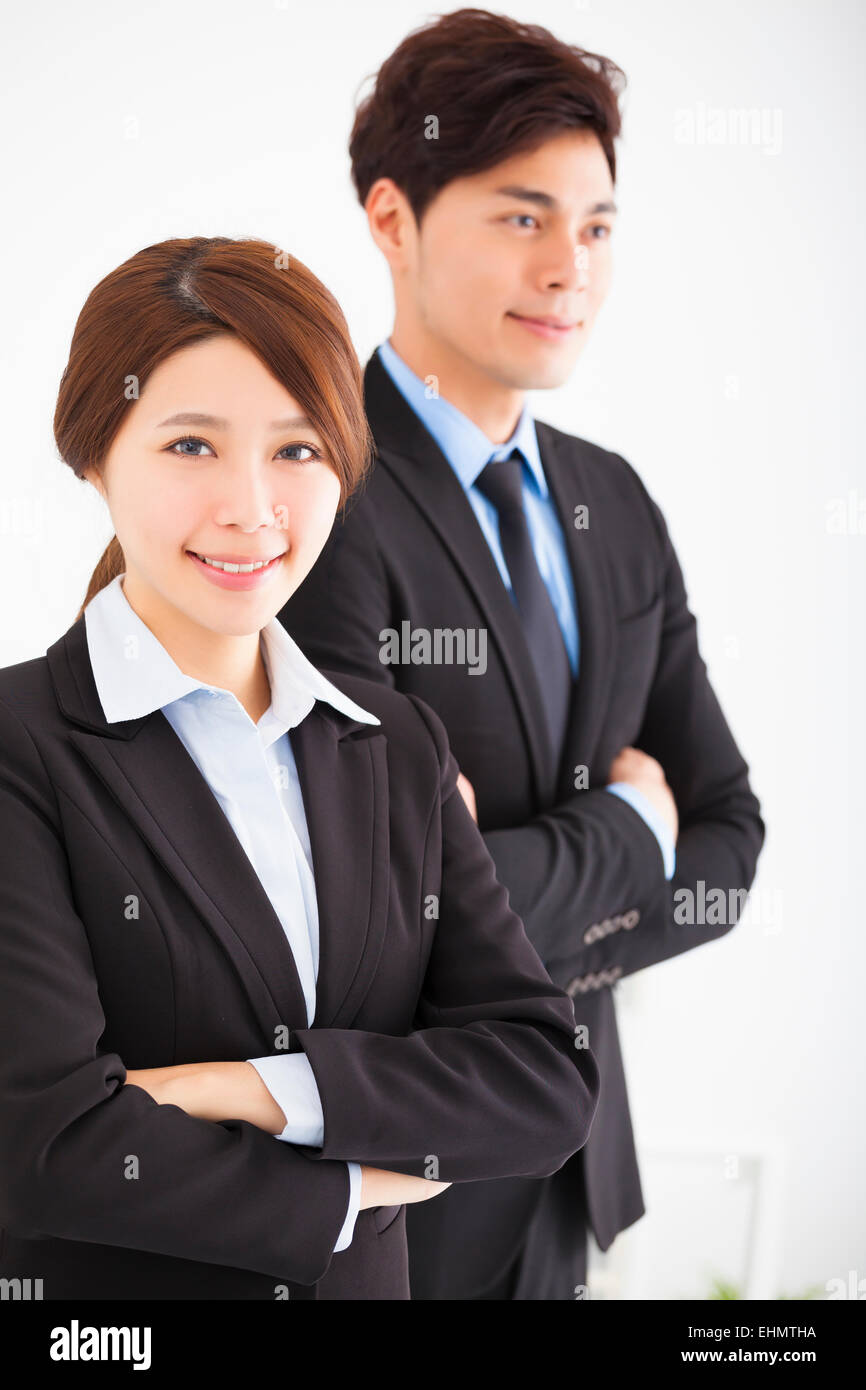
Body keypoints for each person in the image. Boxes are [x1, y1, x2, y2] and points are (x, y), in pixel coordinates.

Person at [0, 235, 599, 1301]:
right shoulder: (21, 745)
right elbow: (43, 1146)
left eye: (297, 449)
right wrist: (353, 1185)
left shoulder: (396, 744)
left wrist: (249, 1089)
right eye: (191, 445)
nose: (250, 507)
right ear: (95, 454)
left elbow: (544, 1082)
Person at [278, 9, 766, 1299]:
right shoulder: (312, 500)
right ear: (391, 219)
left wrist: (511, 911)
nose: (569, 268)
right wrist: (629, 830)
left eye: (596, 226)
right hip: (394, 1199)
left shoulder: (614, 503)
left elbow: (727, 839)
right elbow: (376, 912)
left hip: (572, 1178)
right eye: (520, 216)